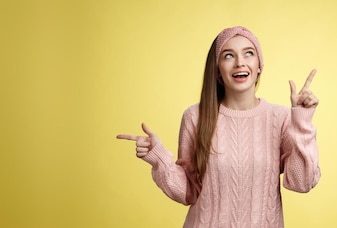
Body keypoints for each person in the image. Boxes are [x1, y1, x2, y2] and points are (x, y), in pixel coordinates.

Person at [116, 26, 320, 227]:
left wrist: (301, 121)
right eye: (228, 56)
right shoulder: (196, 117)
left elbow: (301, 183)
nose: (240, 63)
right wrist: (159, 158)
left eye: (248, 53)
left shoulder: (281, 118)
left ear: (259, 65)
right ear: (217, 70)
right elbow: (188, 192)